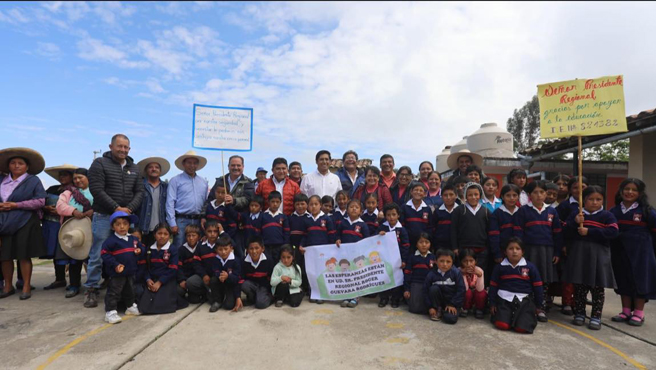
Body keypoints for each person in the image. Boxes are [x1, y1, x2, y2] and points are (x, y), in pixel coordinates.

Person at [85, 134, 144, 308]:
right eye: (119, 146)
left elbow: (139, 191)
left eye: (126, 147)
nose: (123, 150)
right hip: (104, 215)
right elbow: (96, 188)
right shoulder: (100, 164)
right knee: (98, 254)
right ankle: (91, 289)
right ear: (110, 146)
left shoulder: (135, 167)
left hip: (126, 217)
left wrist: (129, 210)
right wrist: (116, 208)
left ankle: (124, 289)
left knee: (127, 253)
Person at [564, 185, 618, 330]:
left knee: (597, 287)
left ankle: (596, 316)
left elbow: (613, 232)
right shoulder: (578, 214)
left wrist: (590, 232)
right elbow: (566, 232)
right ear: (583, 200)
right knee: (580, 285)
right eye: (591, 199)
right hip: (580, 254)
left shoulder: (607, 216)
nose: (595, 202)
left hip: (598, 255)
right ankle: (580, 313)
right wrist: (574, 222)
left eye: (598, 199)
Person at [0, 148, 47, 300]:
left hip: (24, 220)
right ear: (8, 166)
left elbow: (40, 201)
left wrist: (16, 205)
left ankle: (26, 285)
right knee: (5, 255)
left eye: (20, 163)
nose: (16, 166)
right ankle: (8, 285)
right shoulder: (2, 180)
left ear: (27, 167)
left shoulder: (33, 180)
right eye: (13, 163)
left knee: (23, 254)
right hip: (3, 222)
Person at [513, 180, 563, 323]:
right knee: (527, 278)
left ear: (546, 194)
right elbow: (518, 233)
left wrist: (557, 252)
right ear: (529, 195)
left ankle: (541, 307)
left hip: (547, 251)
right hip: (529, 250)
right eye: (535, 192)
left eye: (542, 192)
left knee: (544, 280)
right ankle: (527, 306)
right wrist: (520, 251)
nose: (539, 195)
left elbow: (557, 233)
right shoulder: (523, 211)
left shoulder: (552, 211)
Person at [609, 178, 656, 326]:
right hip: (620, 251)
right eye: (626, 189)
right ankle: (625, 311)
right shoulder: (614, 211)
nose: (629, 192)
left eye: (634, 190)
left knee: (640, 281)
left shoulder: (647, 212)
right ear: (621, 191)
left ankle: (639, 314)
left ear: (640, 193)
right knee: (623, 279)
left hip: (641, 254)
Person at [489, 237, 543, 334]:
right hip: (503, 300)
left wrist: (538, 306)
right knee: (502, 325)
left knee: (522, 328)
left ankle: (521, 319)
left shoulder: (530, 267)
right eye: (511, 248)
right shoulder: (500, 267)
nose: (514, 251)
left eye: (518, 249)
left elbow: (538, 287)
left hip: (524, 300)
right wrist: (492, 304)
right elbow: (493, 286)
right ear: (505, 252)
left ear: (523, 252)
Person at [55, 168, 94, 298]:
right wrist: (73, 211)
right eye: (75, 178)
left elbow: (102, 204)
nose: (77, 180)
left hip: (91, 228)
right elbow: (60, 206)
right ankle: (74, 285)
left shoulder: (95, 191)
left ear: (88, 178)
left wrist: (93, 211)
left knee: (93, 259)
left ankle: (92, 286)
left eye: (80, 177)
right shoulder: (68, 193)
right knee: (74, 258)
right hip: (73, 229)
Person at [101, 211, 142, 323]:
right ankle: (110, 311)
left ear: (129, 225)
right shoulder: (110, 241)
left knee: (130, 290)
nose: (122, 226)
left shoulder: (133, 239)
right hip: (117, 273)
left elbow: (141, 248)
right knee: (114, 291)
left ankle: (130, 306)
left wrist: (139, 250)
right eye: (118, 224)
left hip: (130, 271)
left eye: (125, 223)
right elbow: (105, 254)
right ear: (113, 227)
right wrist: (116, 265)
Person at [555, 176, 587, 316]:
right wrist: (563, 244)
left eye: (582, 187)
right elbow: (559, 227)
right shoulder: (565, 205)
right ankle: (567, 302)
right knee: (568, 274)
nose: (579, 190)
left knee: (583, 275)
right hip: (569, 245)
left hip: (586, 246)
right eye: (575, 187)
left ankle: (579, 302)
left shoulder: (591, 204)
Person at [136, 222, 185, 315]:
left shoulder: (172, 249)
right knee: (144, 305)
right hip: (152, 279)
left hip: (166, 279)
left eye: (165, 234)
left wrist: (160, 282)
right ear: (154, 235)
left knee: (163, 303)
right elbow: (145, 267)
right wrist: (148, 279)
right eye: (159, 233)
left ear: (169, 236)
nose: (162, 236)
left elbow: (173, 269)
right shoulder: (149, 249)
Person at [42, 164, 77, 291]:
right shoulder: (52, 189)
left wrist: (62, 211)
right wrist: (45, 208)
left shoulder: (77, 191)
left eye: (65, 174)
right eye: (61, 175)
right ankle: (60, 278)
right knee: (54, 251)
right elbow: (41, 202)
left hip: (68, 224)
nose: (62, 177)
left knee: (72, 252)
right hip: (51, 224)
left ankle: (75, 281)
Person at [167, 150, 208, 250]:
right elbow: (170, 202)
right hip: (181, 220)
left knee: (198, 248)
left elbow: (206, 202)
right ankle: (177, 266)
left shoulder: (203, 182)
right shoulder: (175, 180)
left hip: (198, 220)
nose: (192, 165)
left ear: (197, 165)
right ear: (184, 164)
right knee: (179, 247)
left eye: (194, 163)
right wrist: (172, 223)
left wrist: (204, 217)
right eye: (189, 163)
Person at [299, 195, 336, 303]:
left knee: (322, 273)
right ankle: (313, 293)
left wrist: (331, 249)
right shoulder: (307, 220)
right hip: (311, 253)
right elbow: (305, 235)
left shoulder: (326, 219)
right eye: (311, 204)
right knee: (312, 273)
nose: (313, 207)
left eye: (316, 204)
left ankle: (322, 294)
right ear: (308, 207)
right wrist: (302, 245)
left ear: (320, 205)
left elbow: (331, 235)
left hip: (323, 253)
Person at [336, 199, 370, 308]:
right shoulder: (343, 223)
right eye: (351, 207)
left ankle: (355, 297)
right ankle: (346, 295)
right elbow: (337, 235)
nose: (354, 208)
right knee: (346, 275)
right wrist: (337, 240)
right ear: (347, 210)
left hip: (357, 257)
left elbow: (367, 241)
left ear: (361, 211)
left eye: (357, 207)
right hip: (344, 256)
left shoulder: (363, 225)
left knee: (356, 276)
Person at [451, 182, 490, 277]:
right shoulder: (459, 210)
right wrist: (455, 247)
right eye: (470, 195)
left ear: (480, 195)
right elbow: (453, 229)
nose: (473, 197)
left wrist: (488, 247)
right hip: (464, 249)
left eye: (476, 194)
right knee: (464, 275)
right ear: (465, 196)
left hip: (481, 250)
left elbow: (489, 231)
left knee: (479, 274)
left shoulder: (485, 211)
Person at [377, 202, 410, 308]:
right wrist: (379, 235)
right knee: (384, 278)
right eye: (388, 215)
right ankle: (384, 298)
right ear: (385, 216)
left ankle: (395, 299)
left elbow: (405, 245)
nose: (391, 217)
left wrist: (403, 260)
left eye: (394, 214)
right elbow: (374, 241)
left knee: (397, 279)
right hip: (384, 259)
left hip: (397, 259)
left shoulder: (402, 229)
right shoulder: (382, 227)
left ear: (398, 215)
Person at [423, 248, 465, 323]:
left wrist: (453, 304)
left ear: (452, 262)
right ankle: (437, 309)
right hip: (438, 302)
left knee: (450, 319)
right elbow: (425, 290)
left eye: (448, 261)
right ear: (436, 261)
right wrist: (430, 307)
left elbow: (461, 290)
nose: (445, 264)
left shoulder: (456, 273)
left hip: (452, 302)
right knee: (433, 288)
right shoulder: (431, 274)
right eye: (441, 261)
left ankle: (451, 311)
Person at [136, 157, 170, 248]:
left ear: (160, 170)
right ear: (146, 170)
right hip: (143, 227)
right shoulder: (139, 185)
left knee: (157, 257)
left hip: (160, 229)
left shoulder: (166, 187)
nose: (154, 169)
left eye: (157, 167)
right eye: (150, 167)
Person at [208, 234, 243, 312]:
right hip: (220, 281)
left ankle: (227, 296)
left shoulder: (236, 260)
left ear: (231, 248)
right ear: (216, 250)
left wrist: (228, 276)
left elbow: (237, 278)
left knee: (228, 306)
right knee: (213, 280)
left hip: (231, 284)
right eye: (220, 249)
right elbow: (215, 271)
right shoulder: (216, 259)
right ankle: (217, 301)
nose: (223, 252)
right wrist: (221, 276)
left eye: (226, 249)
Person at [403, 233, 435, 314]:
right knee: (414, 309)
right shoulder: (412, 257)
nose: (424, 245)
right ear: (416, 244)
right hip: (416, 283)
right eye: (421, 242)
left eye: (426, 242)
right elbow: (407, 273)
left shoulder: (433, 257)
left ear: (430, 244)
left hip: (429, 284)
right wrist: (407, 289)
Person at [489, 184, 520, 264]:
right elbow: (494, 235)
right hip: (502, 252)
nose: (511, 198)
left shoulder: (522, 212)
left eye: (514, 195)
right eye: (508, 195)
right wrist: (497, 253)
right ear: (502, 197)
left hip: (520, 252)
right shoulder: (497, 214)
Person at [176, 224, 206, 304]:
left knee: (194, 300)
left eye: (194, 235)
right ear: (185, 237)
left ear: (199, 237)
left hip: (197, 278)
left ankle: (202, 293)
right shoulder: (181, 250)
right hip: (186, 278)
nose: (191, 238)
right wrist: (182, 280)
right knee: (179, 291)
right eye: (189, 236)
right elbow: (179, 267)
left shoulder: (201, 247)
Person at [204, 182, 239, 250]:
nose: (220, 195)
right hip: (209, 238)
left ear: (228, 194)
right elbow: (206, 222)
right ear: (214, 192)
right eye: (218, 192)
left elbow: (232, 227)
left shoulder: (228, 208)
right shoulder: (209, 206)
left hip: (222, 240)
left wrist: (224, 235)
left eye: (223, 193)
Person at [241, 236, 274, 309]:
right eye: (251, 248)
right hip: (252, 285)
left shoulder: (268, 260)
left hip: (264, 286)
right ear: (247, 250)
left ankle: (270, 298)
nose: (254, 251)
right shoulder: (244, 261)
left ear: (262, 249)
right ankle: (252, 299)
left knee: (260, 304)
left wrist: (269, 291)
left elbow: (272, 278)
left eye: (257, 248)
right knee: (244, 284)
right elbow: (241, 278)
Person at [401, 182, 433, 250]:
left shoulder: (427, 209)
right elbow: (402, 225)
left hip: (422, 244)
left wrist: (425, 239)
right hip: (407, 241)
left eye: (421, 190)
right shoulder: (404, 207)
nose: (418, 192)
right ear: (411, 192)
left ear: (424, 194)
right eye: (416, 190)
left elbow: (430, 227)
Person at [261, 191, 290, 263]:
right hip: (266, 246)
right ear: (268, 202)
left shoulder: (283, 217)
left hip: (279, 246)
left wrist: (285, 245)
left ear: (281, 202)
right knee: (267, 263)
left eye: (277, 202)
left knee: (278, 263)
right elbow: (259, 231)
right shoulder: (263, 215)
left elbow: (286, 232)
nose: (275, 204)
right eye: (272, 202)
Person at [459, 248, 487, 319]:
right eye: (465, 261)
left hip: (475, 295)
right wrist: (463, 274)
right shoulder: (458, 271)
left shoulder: (479, 270)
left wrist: (479, 275)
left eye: (471, 261)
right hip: (465, 297)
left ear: (475, 261)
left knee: (483, 293)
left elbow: (480, 289)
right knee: (467, 293)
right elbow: (464, 289)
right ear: (461, 262)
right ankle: (465, 308)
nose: (468, 264)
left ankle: (479, 309)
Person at [433, 184, 458, 251]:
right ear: (441, 197)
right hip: (440, 247)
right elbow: (433, 229)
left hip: (457, 247)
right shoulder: (437, 212)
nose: (448, 197)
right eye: (445, 195)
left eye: (451, 194)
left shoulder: (461, 210)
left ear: (456, 196)